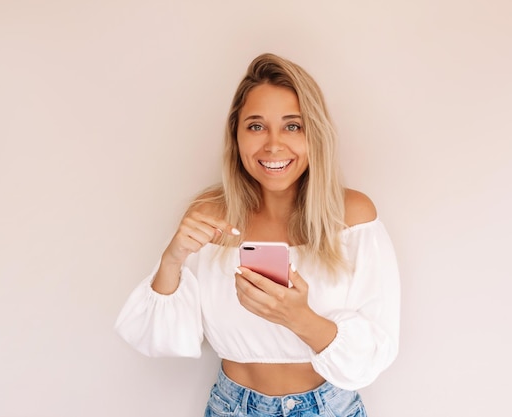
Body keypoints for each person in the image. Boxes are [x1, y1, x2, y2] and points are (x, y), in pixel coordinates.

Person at [115, 53, 401, 417]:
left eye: (292, 126)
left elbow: (375, 355)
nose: (273, 145)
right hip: (232, 408)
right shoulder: (210, 216)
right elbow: (162, 339)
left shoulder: (352, 217)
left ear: (315, 134)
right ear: (236, 136)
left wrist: (297, 316)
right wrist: (172, 259)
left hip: (329, 408)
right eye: (256, 126)